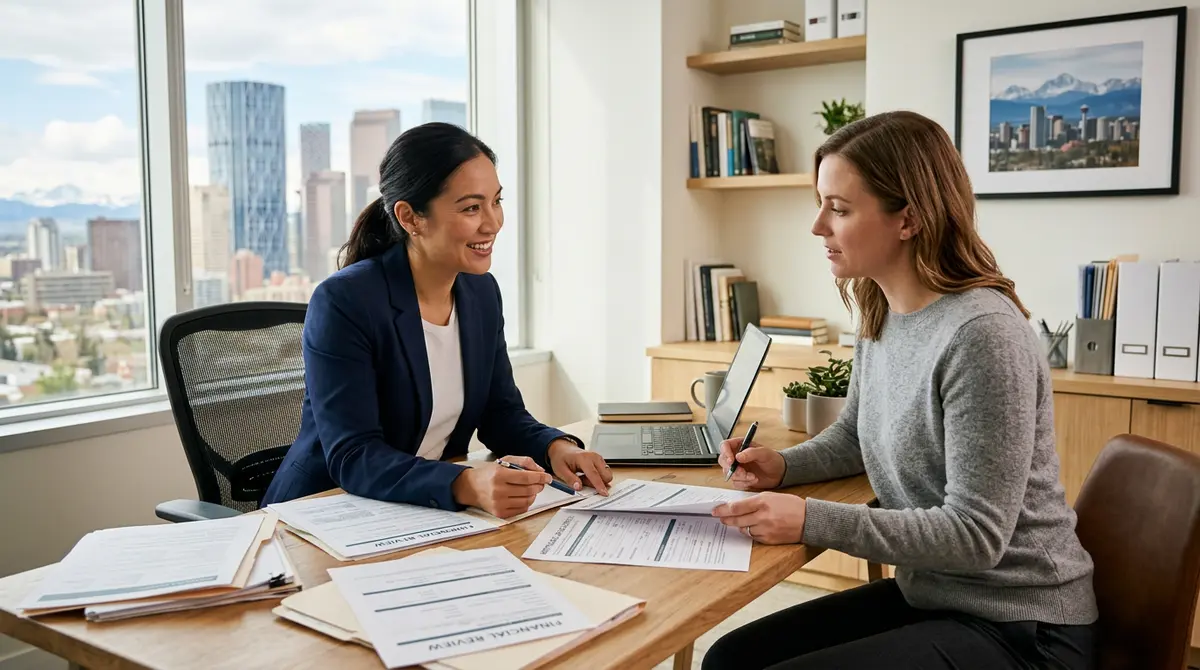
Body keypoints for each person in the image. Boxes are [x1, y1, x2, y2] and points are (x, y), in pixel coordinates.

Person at [702, 111, 1098, 669]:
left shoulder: (983, 334)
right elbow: (853, 438)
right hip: (937, 597)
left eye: (838, 209)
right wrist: (782, 468)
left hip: (1024, 626)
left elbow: (975, 535)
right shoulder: (882, 311)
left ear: (908, 219)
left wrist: (809, 518)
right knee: (730, 658)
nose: (818, 226)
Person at [262, 122, 612, 518]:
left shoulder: (480, 293)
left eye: (496, 201)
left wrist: (556, 448)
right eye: (471, 208)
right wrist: (465, 483)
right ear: (411, 218)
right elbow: (354, 455)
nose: (493, 223)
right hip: (324, 512)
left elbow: (501, 413)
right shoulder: (345, 301)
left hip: (422, 511)